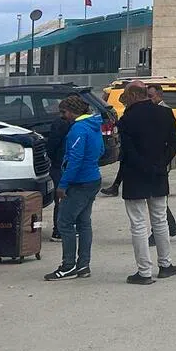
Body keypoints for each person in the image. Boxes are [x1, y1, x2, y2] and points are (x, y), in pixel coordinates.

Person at [117, 83, 176, 285]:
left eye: (126, 95)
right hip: (159, 173)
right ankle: (166, 265)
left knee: (138, 224)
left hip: (135, 175)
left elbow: (127, 151)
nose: (124, 99)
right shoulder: (164, 113)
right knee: (160, 220)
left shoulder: (127, 119)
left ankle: (144, 272)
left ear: (134, 95)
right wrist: (160, 163)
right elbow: (174, 142)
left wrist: (143, 166)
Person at [45, 95, 103, 282]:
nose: (63, 116)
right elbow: (101, 150)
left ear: (72, 111)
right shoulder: (94, 125)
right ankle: (83, 264)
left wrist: (63, 184)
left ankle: (68, 265)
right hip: (93, 178)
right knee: (84, 222)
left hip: (79, 181)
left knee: (65, 222)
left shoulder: (78, 129)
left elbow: (75, 159)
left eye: (64, 112)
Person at [144, 82, 176, 240]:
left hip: (162, 161)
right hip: (158, 161)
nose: (148, 99)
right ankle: (171, 226)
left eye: (150, 96)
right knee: (158, 197)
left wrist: (163, 161)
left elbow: (173, 140)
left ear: (159, 95)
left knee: (157, 198)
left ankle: (160, 230)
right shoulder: (152, 110)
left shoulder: (164, 111)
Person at [45, 110, 70, 241]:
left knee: (60, 199)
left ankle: (59, 230)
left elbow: (52, 145)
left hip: (59, 164)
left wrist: (51, 157)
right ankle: (64, 228)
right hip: (67, 164)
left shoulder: (59, 123)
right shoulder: (81, 125)